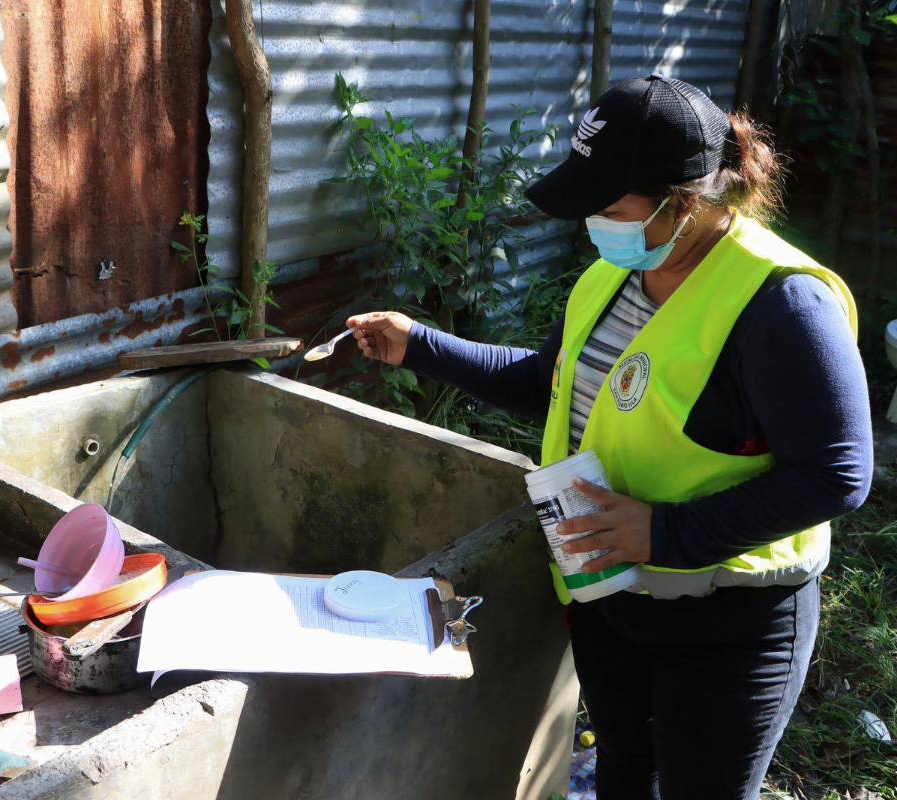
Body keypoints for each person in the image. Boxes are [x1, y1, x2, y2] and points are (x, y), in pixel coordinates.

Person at [348, 74, 873, 799]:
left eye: (610, 205)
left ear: (685, 203)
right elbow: (551, 383)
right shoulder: (608, 279)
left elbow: (837, 474)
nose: (594, 221)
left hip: (730, 624)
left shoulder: (784, 303)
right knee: (624, 773)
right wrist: (422, 347)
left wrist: (665, 532)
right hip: (611, 601)